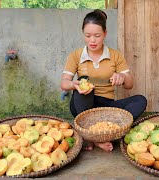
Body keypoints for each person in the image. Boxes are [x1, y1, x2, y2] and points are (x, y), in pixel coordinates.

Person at [60, 9, 147, 152]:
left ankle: (98, 135)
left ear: (105, 34)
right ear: (83, 34)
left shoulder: (115, 55)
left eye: (97, 35)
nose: (92, 40)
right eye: (88, 36)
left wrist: (122, 77)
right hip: (84, 105)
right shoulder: (76, 55)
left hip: (108, 108)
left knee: (140, 100)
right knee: (82, 80)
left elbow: (130, 85)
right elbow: (64, 83)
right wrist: (74, 85)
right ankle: (97, 136)